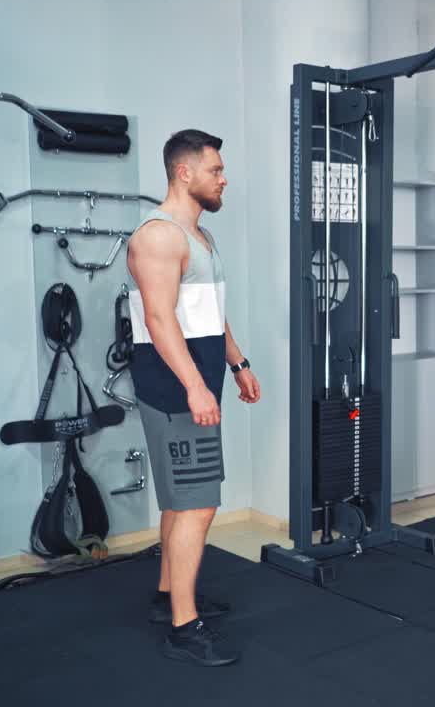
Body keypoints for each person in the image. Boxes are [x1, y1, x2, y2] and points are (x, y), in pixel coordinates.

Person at [126, 129, 261, 665]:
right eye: (216, 170)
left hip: (197, 386)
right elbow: (159, 322)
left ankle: (168, 597)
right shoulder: (158, 237)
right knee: (197, 505)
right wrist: (195, 385)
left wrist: (237, 361)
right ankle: (185, 628)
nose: (223, 179)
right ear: (184, 173)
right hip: (173, 392)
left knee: (183, 501)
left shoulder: (199, 236)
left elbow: (207, 314)